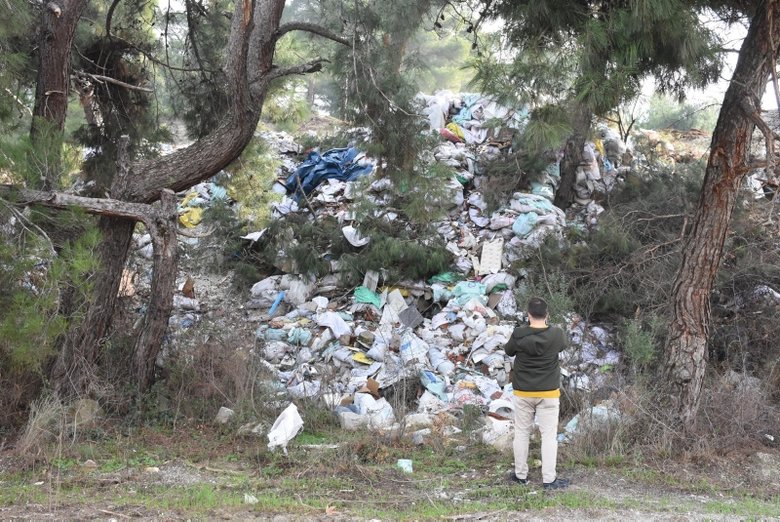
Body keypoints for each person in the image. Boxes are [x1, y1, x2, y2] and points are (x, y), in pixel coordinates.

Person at [503, 297, 570, 490]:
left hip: (523, 391)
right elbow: (562, 347)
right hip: (548, 392)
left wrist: (525, 330)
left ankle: (520, 475)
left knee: (522, 433)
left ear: (528, 314)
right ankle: (549, 480)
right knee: (549, 436)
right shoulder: (557, 334)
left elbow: (509, 350)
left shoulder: (519, 333)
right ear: (547, 314)